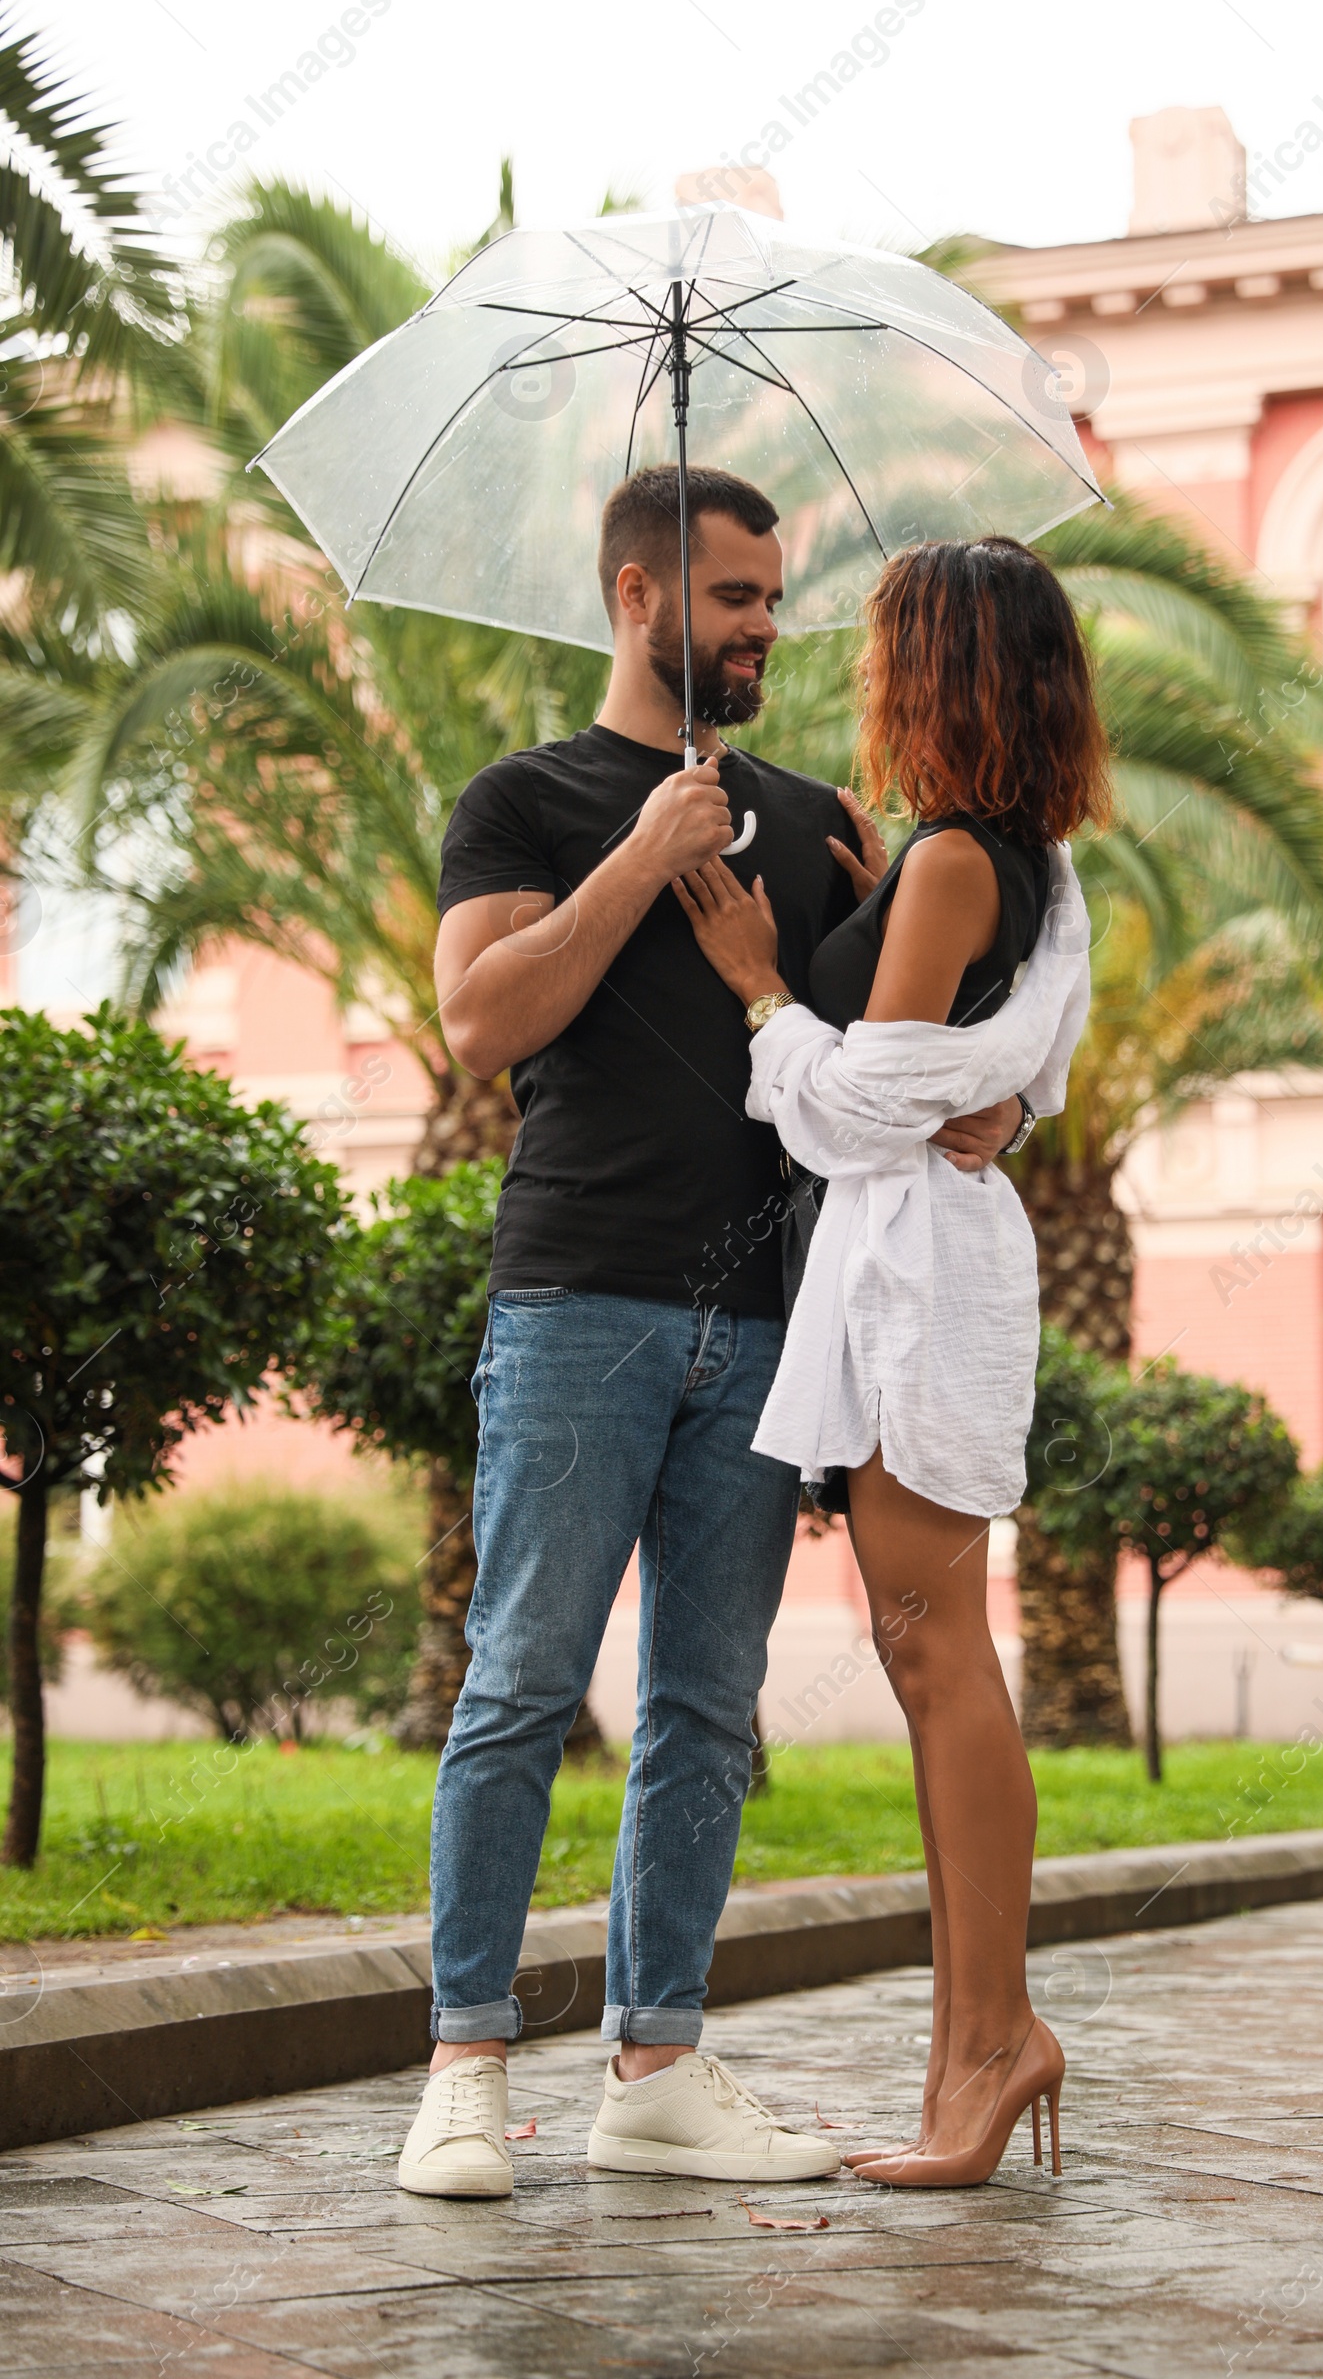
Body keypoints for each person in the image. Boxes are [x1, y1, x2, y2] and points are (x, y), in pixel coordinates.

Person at [397, 467, 1023, 2197]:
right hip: (576, 1301)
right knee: (521, 1684)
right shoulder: (522, 802)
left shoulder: (818, 815)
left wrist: (991, 1110)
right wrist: (638, 860)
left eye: (771, 598)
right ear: (636, 595)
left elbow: (894, 1050)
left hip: (770, 1325)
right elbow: (477, 1023)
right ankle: (463, 2065)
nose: (765, 626)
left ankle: (659, 2062)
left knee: (702, 1705)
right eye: (735, 597)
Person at [673, 535, 1106, 2189]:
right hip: (943, 1263)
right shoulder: (1014, 863)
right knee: (943, 1662)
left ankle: (996, 2043)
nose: (864, 673)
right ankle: (969, 2058)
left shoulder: (952, 869)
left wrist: (769, 989)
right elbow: (999, 1058)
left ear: (947, 674)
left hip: (916, 1276)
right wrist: (871, 942)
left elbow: (857, 1108)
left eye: (893, 649)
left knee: (942, 1663)